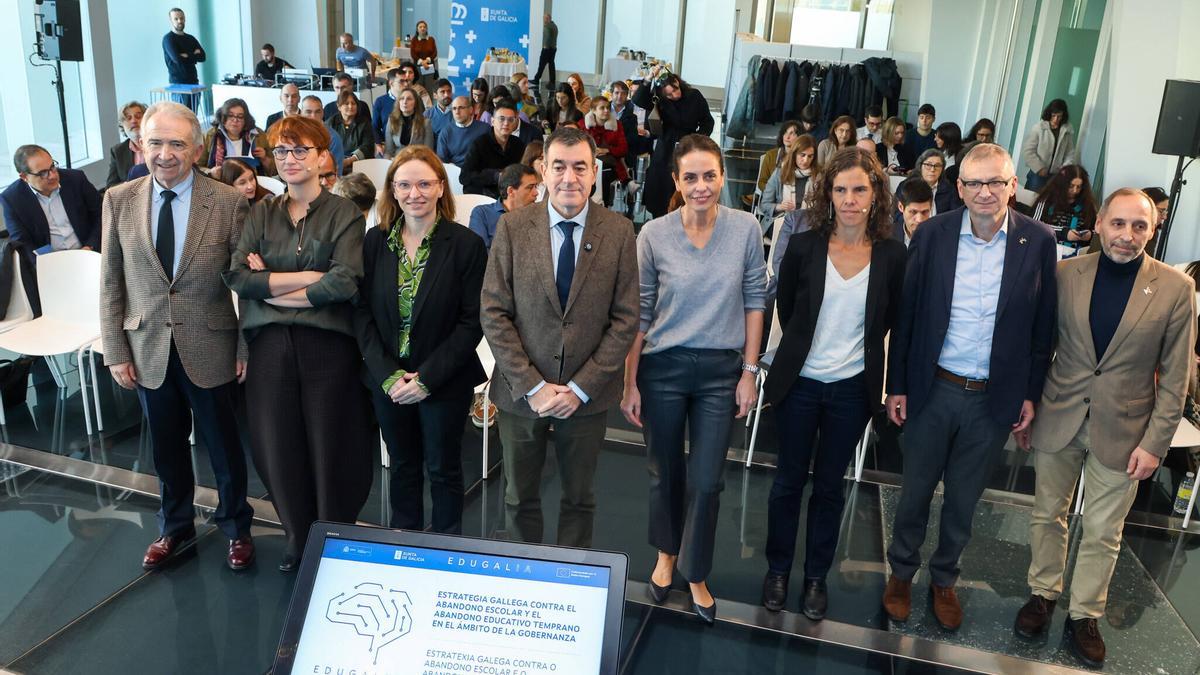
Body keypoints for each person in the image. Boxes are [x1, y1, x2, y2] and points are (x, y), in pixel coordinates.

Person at [1012, 188, 1195, 669]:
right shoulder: (1066, 273)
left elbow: (1177, 380)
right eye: (1119, 224)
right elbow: (1039, 347)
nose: (1127, 235)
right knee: (1046, 513)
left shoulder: (1176, 289)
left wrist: (1156, 443)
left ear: (1152, 231)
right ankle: (1042, 594)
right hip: (1059, 414)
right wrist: (1027, 405)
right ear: (1099, 224)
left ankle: (1084, 615)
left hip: (1127, 430)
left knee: (1103, 530)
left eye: (1139, 226)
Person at [882, 143, 1057, 631]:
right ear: (958, 188)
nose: (986, 192)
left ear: (1013, 186)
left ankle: (944, 580)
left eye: (996, 182)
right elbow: (908, 314)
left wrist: (1030, 393)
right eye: (975, 183)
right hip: (933, 388)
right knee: (915, 490)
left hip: (992, 398)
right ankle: (900, 573)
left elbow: (1043, 329)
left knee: (963, 499)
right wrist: (897, 384)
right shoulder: (934, 234)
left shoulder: (1039, 241)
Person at [100, 101, 254, 572]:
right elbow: (111, 281)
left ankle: (236, 528)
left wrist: (245, 345)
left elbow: (244, 284)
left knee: (225, 446)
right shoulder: (119, 199)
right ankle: (175, 527)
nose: (165, 153)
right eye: (155, 142)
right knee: (166, 448)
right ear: (139, 144)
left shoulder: (228, 202)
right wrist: (114, 350)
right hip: (146, 347)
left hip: (212, 345)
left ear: (197, 148)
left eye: (176, 143)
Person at [620, 133, 766, 625]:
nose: (700, 186)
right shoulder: (653, 235)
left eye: (709, 176)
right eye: (690, 178)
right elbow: (639, 313)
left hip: (721, 371)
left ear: (722, 176)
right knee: (664, 471)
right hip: (662, 367)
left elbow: (754, 300)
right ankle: (666, 555)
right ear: (676, 181)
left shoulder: (746, 228)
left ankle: (696, 569)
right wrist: (630, 381)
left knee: (707, 480)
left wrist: (750, 372)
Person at [761, 147, 906, 620]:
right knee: (787, 483)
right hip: (799, 383)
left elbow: (890, 321)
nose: (849, 199)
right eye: (840, 189)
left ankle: (817, 577)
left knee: (829, 488)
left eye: (859, 189)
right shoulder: (804, 246)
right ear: (827, 193)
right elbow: (786, 307)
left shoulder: (891, 254)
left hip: (851, 389)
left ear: (874, 195)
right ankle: (778, 571)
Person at [479, 125, 638, 549]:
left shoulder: (620, 232)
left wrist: (581, 389)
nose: (569, 177)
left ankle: (570, 581)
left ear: (594, 173)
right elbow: (493, 311)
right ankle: (525, 573)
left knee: (580, 500)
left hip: (585, 398)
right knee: (518, 498)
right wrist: (531, 385)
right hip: (521, 393)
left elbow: (626, 319)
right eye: (559, 167)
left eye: (579, 167)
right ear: (543, 172)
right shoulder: (513, 228)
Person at [223, 116, 370, 572]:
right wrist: (308, 278)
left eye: (300, 150)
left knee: (331, 441)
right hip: (268, 345)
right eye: (281, 152)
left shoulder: (343, 213)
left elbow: (344, 282)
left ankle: (333, 533)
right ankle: (297, 535)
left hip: (328, 346)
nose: (290, 160)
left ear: (323, 156)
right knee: (276, 441)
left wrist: (272, 283)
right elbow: (238, 277)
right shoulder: (261, 213)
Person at [353, 145, 486, 534]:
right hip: (388, 380)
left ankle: (446, 547)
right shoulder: (375, 243)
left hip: (443, 379)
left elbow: (471, 322)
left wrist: (425, 379)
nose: (416, 193)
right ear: (392, 191)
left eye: (425, 183)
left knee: (443, 469)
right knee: (403, 465)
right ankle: (405, 543)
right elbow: (361, 314)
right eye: (405, 184)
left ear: (442, 188)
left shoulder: (466, 245)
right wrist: (389, 376)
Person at [2, 145, 102, 297]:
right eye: (43, 173)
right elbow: (22, 242)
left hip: (90, 254)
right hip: (52, 267)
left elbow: (101, 215)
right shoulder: (12, 199)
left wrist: (90, 247)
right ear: (24, 177)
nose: (52, 176)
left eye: (52, 167)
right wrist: (52, 266)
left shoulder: (75, 179)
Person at [632, 69, 715, 218]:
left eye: (675, 91)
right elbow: (638, 100)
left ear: (677, 82)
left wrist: (697, 140)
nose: (674, 96)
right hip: (666, 144)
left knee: (685, 180)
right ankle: (658, 217)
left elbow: (708, 121)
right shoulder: (661, 99)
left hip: (689, 143)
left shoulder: (694, 96)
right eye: (669, 95)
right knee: (660, 183)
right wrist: (649, 78)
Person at [460, 98, 525, 198]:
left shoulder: (518, 144)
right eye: (502, 119)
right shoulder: (480, 143)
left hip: (510, 196)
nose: (506, 123)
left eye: (510, 119)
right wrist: (495, 176)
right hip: (482, 196)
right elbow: (464, 177)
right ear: (493, 121)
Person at [469, 163, 540, 250]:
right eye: (530, 187)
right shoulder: (482, 213)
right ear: (510, 191)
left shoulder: (537, 215)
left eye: (536, 187)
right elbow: (480, 252)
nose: (536, 193)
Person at [1032, 165, 1097, 254]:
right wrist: (1063, 233)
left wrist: (1089, 235)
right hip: (1048, 249)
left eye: (1079, 187)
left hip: (1076, 254)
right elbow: (1035, 225)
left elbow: (1096, 229)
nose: (1075, 190)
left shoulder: (1088, 204)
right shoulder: (1047, 200)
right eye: (1071, 186)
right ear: (1062, 184)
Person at [758, 134, 817, 232]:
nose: (806, 160)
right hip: (781, 220)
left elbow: (823, 208)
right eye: (802, 155)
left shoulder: (818, 176)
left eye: (810, 156)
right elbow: (764, 205)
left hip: (808, 223)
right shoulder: (779, 173)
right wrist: (779, 207)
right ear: (794, 154)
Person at [202, 98, 271, 174]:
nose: (235, 120)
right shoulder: (210, 135)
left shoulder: (258, 135)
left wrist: (264, 158)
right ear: (223, 117)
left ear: (246, 120)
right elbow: (196, 167)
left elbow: (274, 170)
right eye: (230, 115)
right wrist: (210, 172)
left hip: (251, 182)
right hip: (219, 182)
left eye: (240, 116)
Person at [580, 97, 628, 204]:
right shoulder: (583, 125)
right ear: (593, 110)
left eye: (607, 108)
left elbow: (623, 149)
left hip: (610, 165)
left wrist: (607, 150)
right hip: (587, 163)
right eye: (602, 108)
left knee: (604, 174)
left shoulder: (617, 125)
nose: (606, 111)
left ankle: (604, 204)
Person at [1021, 98, 1076, 191]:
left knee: (1047, 202)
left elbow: (1070, 153)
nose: (1056, 119)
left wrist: (1064, 168)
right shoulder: (1039, 128)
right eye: (1053, 115)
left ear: (1063, 116)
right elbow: (1028, 151)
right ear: (1049, 113)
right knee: (1030, 200)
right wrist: (1039, 168)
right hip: (1037, 174)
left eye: (1059, 116)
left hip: (1055, 175)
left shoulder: (1067, 130)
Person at [327, 91, 374, 172]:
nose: (350, 106)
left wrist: (349, 160)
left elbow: (367, 146)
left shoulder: (364, 123)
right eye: (346, 103)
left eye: (353, 103)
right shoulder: (331, 123)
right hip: (335, 164)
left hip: (359, 164)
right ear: (339, 106)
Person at [611, 80, 652, 171]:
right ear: (611, 94)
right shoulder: (604, 109)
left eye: (623, 93)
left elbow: (631, 139)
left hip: (632, 149)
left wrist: (646, 132)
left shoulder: (635, 115)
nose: (619, 96)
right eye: (616, 93)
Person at [436, 96, 489, 165]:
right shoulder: (445, 132)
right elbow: (442, 161)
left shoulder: (485, 129)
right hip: (455, 173)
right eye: (454, 108)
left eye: (461, 108)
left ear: (470, 110)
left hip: (480, 172)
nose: (457, 112)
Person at [385, 87, 437, 157]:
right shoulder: (392, 120)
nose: (405, 102)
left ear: (415, 103)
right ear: (398, 102)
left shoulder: (425, 123)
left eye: (409, 99)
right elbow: (389, 151)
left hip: (418, 161)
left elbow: (428, 151)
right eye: (402, 98)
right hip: (398, 160)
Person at [301, 95, 345, 175]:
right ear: (301, 113)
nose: (313, 116)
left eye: (317, 112)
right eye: (308, 112)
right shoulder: (294, 135)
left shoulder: (333, 138)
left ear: (322, 113)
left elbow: (335, 174)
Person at [107, 101, 146, 188]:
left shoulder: (159, 144)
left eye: (138, 116)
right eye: (128, 118)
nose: (134, 121)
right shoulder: (117, 151)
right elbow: (110, 186)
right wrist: (127, 186)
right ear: (122, 126)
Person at [756, 121, 802, 195]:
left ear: (799, 137)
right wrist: (774, 193)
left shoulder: (802, 157)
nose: (787, 137)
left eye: (792, 133)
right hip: (772, 197)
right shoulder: (771, 155)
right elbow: (762, 182)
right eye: (785, 133)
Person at [162, 8, 205, 86]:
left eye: (182, 18)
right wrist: (194, 55)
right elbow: (177, 59)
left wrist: (185, 55)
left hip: (194, 82)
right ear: (171, 21)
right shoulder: (168, 39)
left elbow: (203, 57)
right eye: (176, 19)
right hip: (178, 84)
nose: (179, 21)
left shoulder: (191, 38)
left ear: (185, 19)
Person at [911, 148, 960, 215]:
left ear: (942, 169)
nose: (932, 169)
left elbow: (955, 214)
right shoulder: (908, 186)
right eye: (928, 165)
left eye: (937, 166)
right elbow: (898, 216)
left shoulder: (949, 189)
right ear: (920, 166)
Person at [373, 67, 409, 154]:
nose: (406, 84)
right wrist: (378, 144)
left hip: (408, 145)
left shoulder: (412, 100)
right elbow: (375, 126)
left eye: (406, 81)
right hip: (387, 144)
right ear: (391, 83)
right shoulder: (380, 101)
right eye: (401, 81)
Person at [893, 176, 933, 246]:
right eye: (913, 212)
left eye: (925, 212)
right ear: (901, 207)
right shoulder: (886, 237)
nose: (919, 219)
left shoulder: (939, 238)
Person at [532, 13, 558, 90]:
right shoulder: (554, 26)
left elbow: (547, 37)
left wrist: (545, 47)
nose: (544, 20)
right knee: (551, 65)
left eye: (545, 18)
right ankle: (552, 82)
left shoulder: (547, 26)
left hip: (547, 49)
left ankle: (536, 80)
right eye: (544, 18)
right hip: (553, 48)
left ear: (549, 18)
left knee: (542, 64)